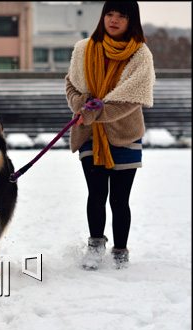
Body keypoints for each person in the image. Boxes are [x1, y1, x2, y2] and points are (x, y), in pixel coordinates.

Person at [64, 1, 155, 269]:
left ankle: (120, 250)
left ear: (131, 21)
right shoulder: (84, 49)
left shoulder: (140, 55)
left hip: (125, 134)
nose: (114, 20)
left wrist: (94, 111)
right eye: (110, 14)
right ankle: (95, 245)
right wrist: (81, 104)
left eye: (121, 16)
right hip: (90, 134)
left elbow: (131, 98)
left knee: (119, 199)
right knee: (96, 193)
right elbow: (70, 83)